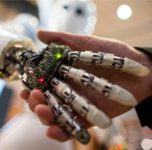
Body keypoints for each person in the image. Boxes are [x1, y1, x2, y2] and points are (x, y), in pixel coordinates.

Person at [20, 30, 152, 142]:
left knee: (90, 77)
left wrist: (148, 66)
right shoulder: (40, 66)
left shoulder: (49, 54)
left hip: (65, 71)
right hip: (60, 79)